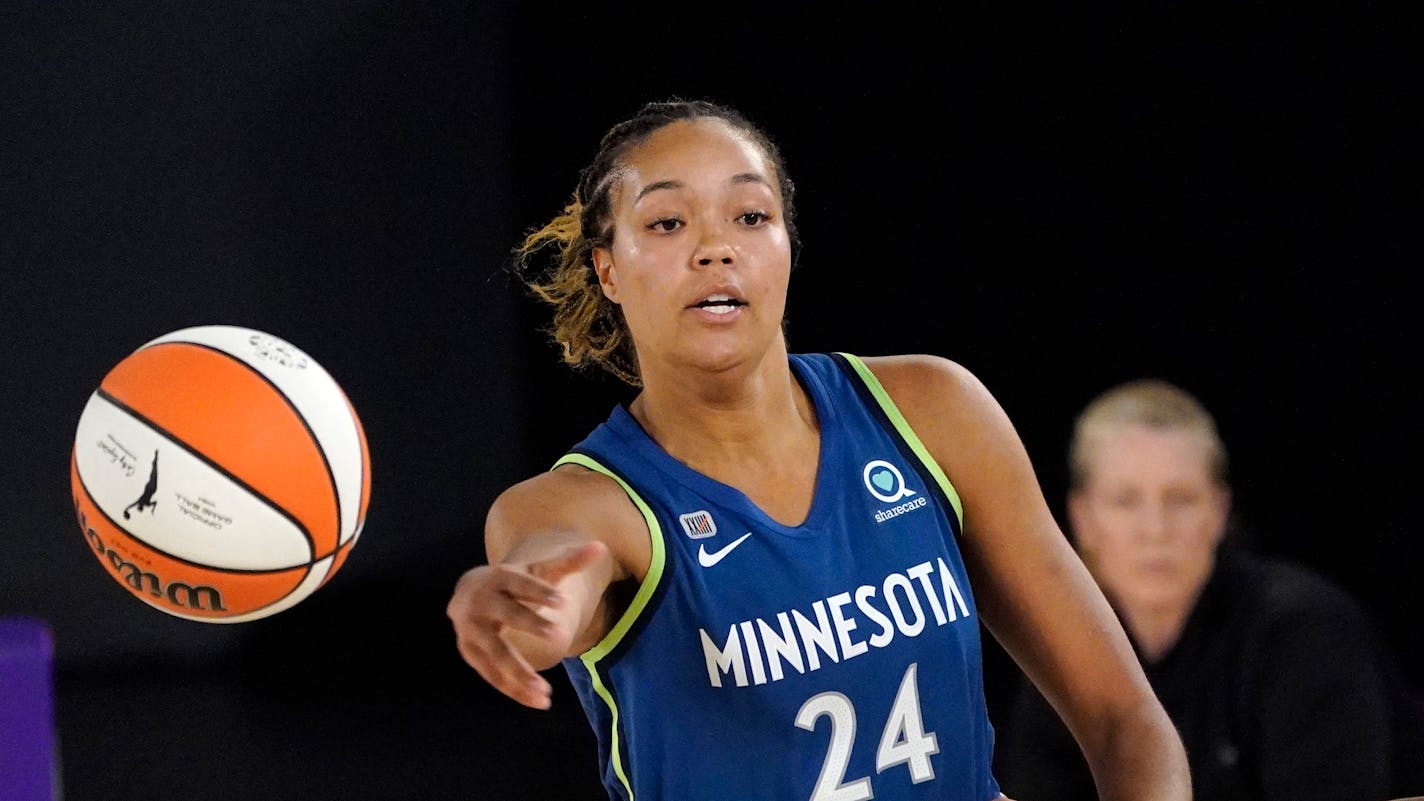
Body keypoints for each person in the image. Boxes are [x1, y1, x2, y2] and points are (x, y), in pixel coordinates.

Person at [445, 98, 1191, 801]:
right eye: (668, 222)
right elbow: (549, 585)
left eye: (749, 214)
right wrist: (518, 610)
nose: (715, 247)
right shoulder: (587, 501)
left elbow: (1127, 721)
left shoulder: (931, 412)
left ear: (787, 247)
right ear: (608, 269)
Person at [996, 378, 1396, 801]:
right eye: (1125, 500)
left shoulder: (1304, 630)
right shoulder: (1064, 652)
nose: (1155, 530)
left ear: (1219, 512)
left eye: (1181, 499)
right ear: (1082, 520)